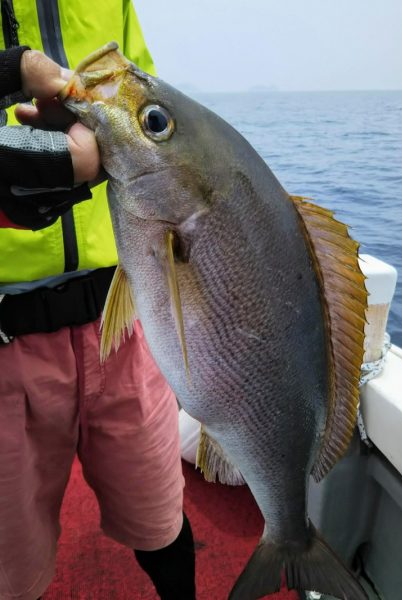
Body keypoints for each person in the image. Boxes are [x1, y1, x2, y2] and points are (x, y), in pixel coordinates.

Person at [0, 2, 196, 600]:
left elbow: (150, 114)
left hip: (124, 315)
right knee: (10, 564)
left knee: (161, 523)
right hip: (6, 339)